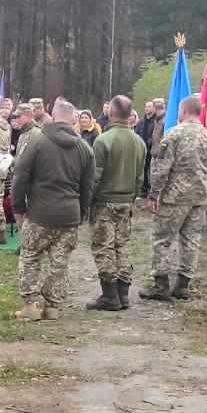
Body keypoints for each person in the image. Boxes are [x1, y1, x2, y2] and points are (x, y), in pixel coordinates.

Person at [9, 100, 94, 322]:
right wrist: (82, 212)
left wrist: (17, 207)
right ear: (74, 119)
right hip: (69, 214)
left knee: (30, 258)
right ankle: (53, 306)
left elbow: (20, 176)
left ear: (52, 116)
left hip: (39, 213)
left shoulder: (37, 141)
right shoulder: (84, 148)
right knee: (60, 262)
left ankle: (31, 305)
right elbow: (88, 187)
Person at [142, 95, 207, 303]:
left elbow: (162, 168)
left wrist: (154, 193)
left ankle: (161, 284)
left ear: (182, 112)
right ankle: (183, 285)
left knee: (163, 239)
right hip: (199, 197)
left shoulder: (173, 134)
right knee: (191, 241)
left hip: (175, 196)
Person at [81, 96, 147, 311]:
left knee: (104, 247)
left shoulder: (104, 140)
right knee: (122, 246)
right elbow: (139, 178)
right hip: (126, 201)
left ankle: (110, 295)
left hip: (104, 202)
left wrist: (86, 203)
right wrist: (132, 198)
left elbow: (95, 177)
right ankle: (123, 294)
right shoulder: (139, 142)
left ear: (111, 113)